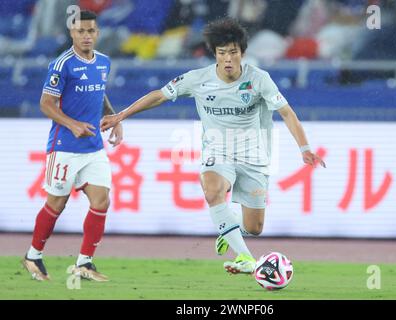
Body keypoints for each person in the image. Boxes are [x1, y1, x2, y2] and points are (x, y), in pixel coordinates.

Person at [100, 17, 325, 274]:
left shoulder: (259, 79)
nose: (228, 58)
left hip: (254, 156)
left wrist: (304, 148)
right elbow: (158, 96)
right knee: (213, 191)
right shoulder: (198, 79)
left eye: (233, 52)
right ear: (215, 54)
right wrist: (120, 115)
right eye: (222, 53)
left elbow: (286, 112)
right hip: (218, 153)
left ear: (242, 53)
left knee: (254, 228)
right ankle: (245, 258)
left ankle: (228, 232)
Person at [22, 10, 123, 282]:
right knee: (57, 203)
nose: (87, 36)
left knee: (102, 201)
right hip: (64, 146)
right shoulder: (62, 64)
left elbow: (99, 92)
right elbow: (46, 104)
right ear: (72, 33)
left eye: (91, 31)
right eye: (81, 32)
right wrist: (73, 124)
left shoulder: (103, 62)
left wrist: (113, 117)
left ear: (97, 33)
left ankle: (84, 263)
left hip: (93, 148)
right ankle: (33, 254)